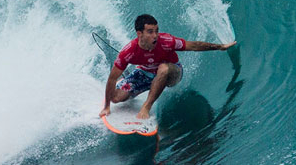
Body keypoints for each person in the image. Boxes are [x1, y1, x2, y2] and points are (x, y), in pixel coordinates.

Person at [99, 14, 236, 120]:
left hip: (172, 71)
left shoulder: (166, 41)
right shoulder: (128, 52)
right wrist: (106, 107)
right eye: (150, 32)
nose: (155, 35)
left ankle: (146, 106)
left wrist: (219, 47)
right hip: (145, 72)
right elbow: (111, 78)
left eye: (156, 31)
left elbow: (193, 45)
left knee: (163, 69)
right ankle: (130, 83)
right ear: (139, 33)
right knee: (115, 98)